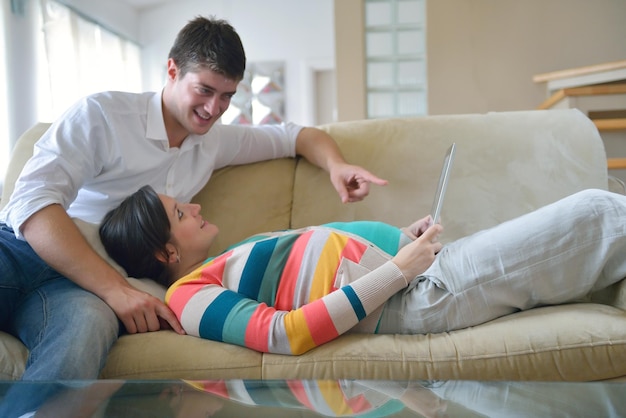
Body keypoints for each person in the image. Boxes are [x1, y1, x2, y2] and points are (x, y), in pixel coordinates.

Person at [0, 15, 386, 387]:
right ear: (172, 71)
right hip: (23, 252)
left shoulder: (214, 142)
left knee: (84, 335)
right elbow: (32, 201)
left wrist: (336, 166)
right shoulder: (104, 115)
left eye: (227, 96)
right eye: (205, 90)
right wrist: (116, 290)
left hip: (78, 293)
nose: (215, 109)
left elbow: (295, 136)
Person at [99, 185, 626, 355]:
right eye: (178, 213)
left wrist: (402, 239)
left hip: (419, 273)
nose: (192, 207)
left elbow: (320, 263)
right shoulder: (188, 298)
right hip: (416, 294)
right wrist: (398, 269)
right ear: (165, 253)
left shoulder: (223, 258)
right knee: (595, 214)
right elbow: (285, 334)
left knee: (599, 249)